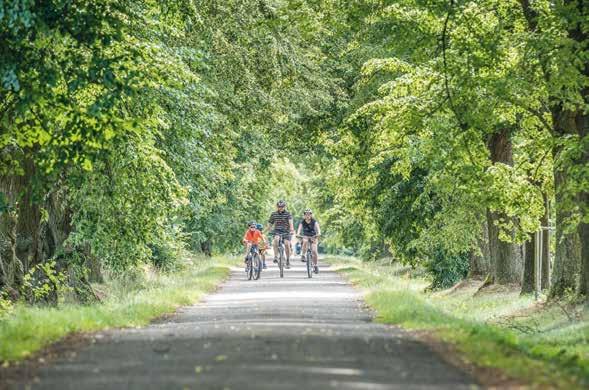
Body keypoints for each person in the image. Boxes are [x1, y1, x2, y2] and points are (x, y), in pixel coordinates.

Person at [266, 200, 295, 268]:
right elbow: (270, 224)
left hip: (286, 231)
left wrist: (291, 229)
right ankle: (276, 256)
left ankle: (288, 260)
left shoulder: (288, 214)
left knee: (287, 244)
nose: (280, 208)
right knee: (276, 240)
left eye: (282, 207)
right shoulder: (274, 214)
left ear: (284, 207)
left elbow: (291, 223)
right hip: (277, 231)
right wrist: (265, 231)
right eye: (279, 206)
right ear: (277, 207)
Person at [296, 209, 321, 274]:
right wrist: (298, 234)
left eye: (309, 214)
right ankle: (303, 255)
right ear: (304, 215)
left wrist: (318, 234)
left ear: (311, 215)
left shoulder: (314, 222)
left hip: (313, 237)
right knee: (305, 241)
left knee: (314, 251)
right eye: (306, 214)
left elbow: (318, 230)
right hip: (306, 236)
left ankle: (315, 265)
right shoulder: (302, 222)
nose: (307, 216)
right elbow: (299, 229)